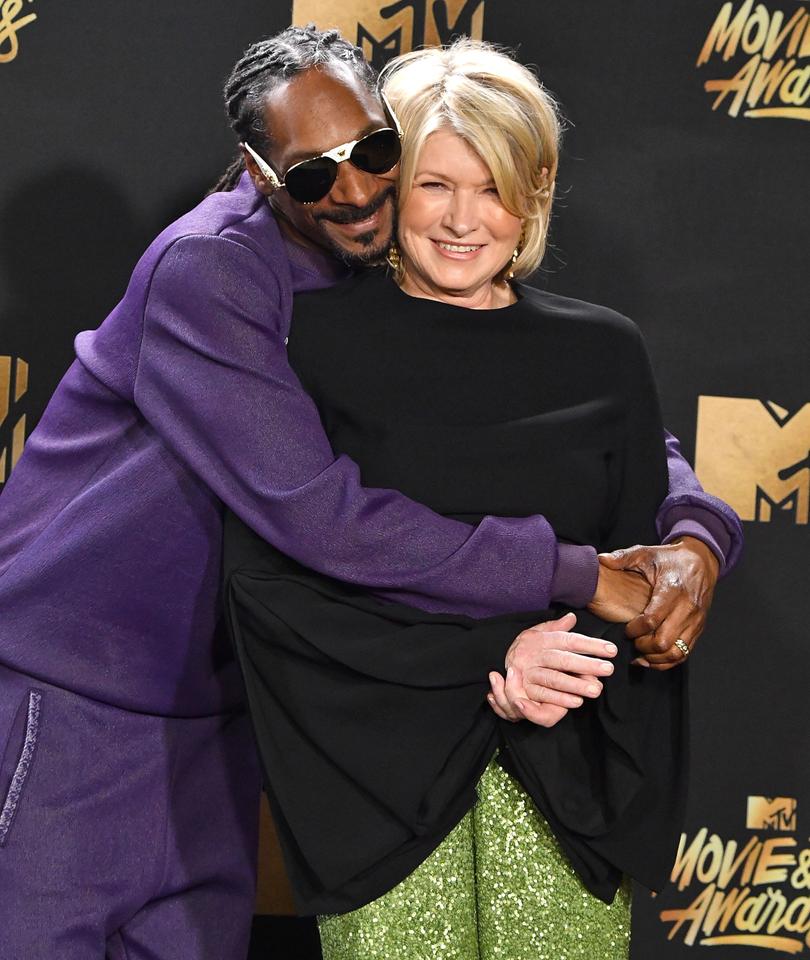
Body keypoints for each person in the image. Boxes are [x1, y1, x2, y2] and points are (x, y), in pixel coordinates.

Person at [0, 25, 739, 960]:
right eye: (313, 173)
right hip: (81, 694)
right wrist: (579, 573)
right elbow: (325, 519)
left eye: (375, 155)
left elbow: (581, 421)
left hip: (217, 704)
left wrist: (698, 530)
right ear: (260, 174)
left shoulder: (374, 271)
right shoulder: (226, 277)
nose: (354, 190)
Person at [222, 37, 743, 959]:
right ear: (388, 183)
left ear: (533, 197)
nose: (465, 219)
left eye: (496, 187)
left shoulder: (603, 353)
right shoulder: (309, 343)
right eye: (435, 184)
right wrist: (498, 659)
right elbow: (282, 584)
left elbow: (631, 564)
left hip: (569, 774)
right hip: (377, 787)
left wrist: (586, 647)